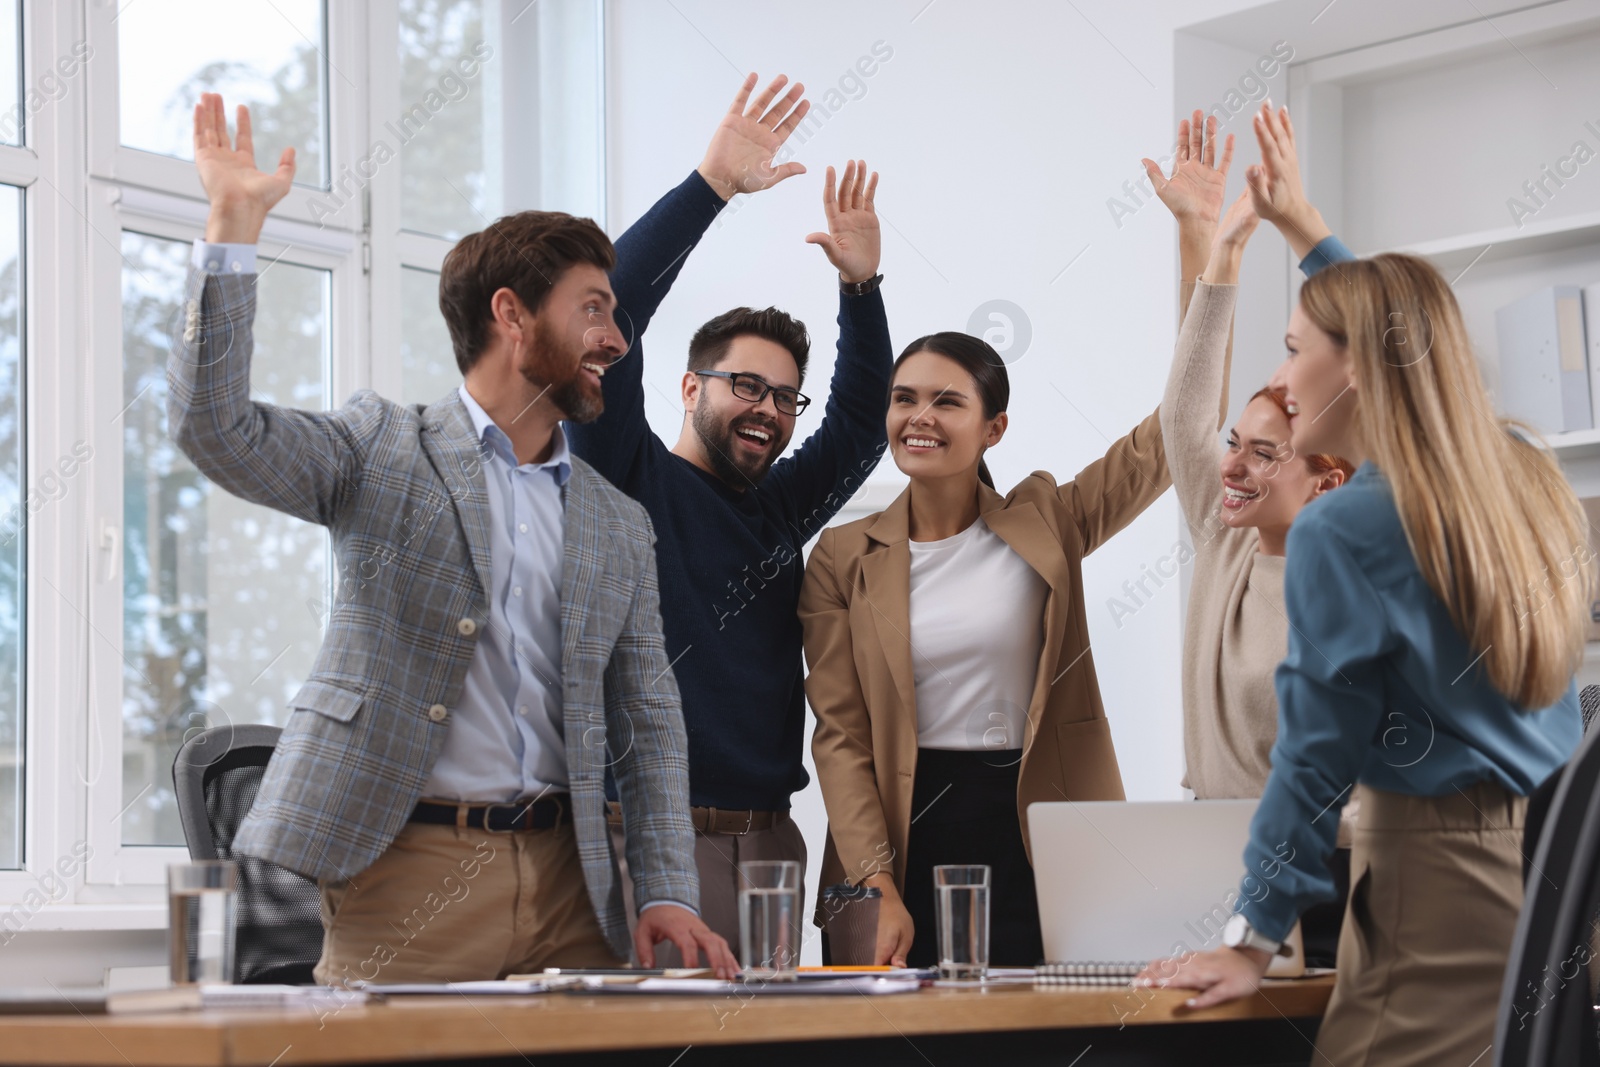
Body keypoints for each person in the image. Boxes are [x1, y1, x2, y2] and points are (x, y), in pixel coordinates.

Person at [172, 93, 735, 984]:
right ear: (512, 316)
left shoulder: (617, 520)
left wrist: (668, 887)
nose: (616, 340)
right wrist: (232, 231)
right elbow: (217, 430)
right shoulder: (380, 447)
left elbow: (649, 720)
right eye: (594, 309)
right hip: (408, 872)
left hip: (571, 883)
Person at [1138, 102, 1591, 1066]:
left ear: (1359, 366)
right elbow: (1407, 341)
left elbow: (1314, 749)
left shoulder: (1345, 526)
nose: (1284, 374)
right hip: (1554, 872)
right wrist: (1305, 227)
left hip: (1435, 891)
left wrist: (1249, 940)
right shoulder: (1523, 473)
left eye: (1299, 347)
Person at [798, 184, 1250, 964]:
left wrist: (1201, 253)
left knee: (1040, 1033)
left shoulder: (1047, 520)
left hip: (1032, 822)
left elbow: (1181, 425)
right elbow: (840, 736)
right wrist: (874, 878)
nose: (919, 417)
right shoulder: (842, 557)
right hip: (891, 834)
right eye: (903, 399)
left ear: (993, 425)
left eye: (947, 401)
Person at [567, 73, 892, 958]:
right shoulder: (621, 470)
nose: (768, 410)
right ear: (687, 386)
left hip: (771, 842)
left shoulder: (776, 508)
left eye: (786, 397)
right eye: (746, 385)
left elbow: (862, 426)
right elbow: (610, 313)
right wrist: (709, 187)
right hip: (655, 842)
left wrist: (862, 290)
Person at [1149, 106, 1357, 966]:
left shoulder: (1352, 569)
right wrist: (1220, 253)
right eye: (1235, 444)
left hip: (1325, 863)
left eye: (1265, 453)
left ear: (1326, 475)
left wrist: (1303, 223)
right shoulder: (1222, 531)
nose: (1232, 465)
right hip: (1212, 852)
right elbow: (1184, 409)